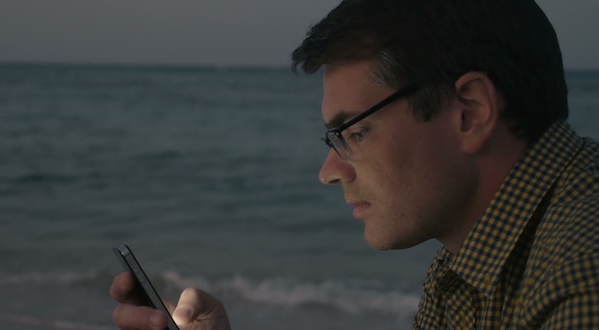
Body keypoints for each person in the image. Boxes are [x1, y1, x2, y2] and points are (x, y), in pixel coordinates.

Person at [110, 0, 599, 328]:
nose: (329, 171)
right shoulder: (469, 257)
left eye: (355, 131)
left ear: (470, 112)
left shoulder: (582, 271)